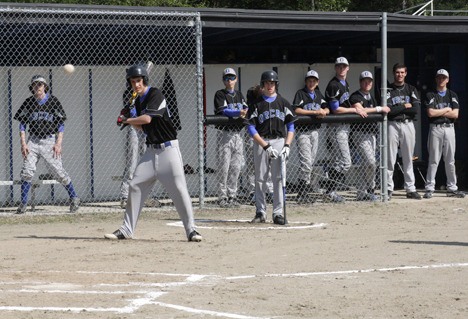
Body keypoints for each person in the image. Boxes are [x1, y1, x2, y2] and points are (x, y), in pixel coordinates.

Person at [104, 64, 202, 242]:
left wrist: (127, 119)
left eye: (139, 81)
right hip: (151, 152)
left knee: (180, 190)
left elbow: (148, 118)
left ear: (145, 81)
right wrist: (129, 119)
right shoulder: (139, 101)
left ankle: (191, 230)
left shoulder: (156, 94)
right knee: (135, 185)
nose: (136, 85)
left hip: (169, 151)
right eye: (133, 82)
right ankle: (126, 230)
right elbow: (142, 127)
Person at [13, 75, 80, 214]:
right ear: (32, 87)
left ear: (45, 87)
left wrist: (58, 144)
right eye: (35, 85)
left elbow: (60, 125)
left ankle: (74, 197)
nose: (37, 87)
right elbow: (22, 125)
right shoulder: (28, 102)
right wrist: (23, 143)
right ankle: (23, 203)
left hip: (49, 141)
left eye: (40, 84)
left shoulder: (53, 101)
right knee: (27, 170)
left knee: (58, 172)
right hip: (33, 140)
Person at [245, 70, 296, 225]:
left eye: (272, 83)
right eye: (267, 83)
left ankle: (278, 213)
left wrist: (287, 145)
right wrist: (265, 146)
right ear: (263, 85)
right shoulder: (256, 104)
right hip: (261, 142)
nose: (270, 86)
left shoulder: (283, 103)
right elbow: (251, 129)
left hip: (279, 141)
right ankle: (260, 212)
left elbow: (291, 126)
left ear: (276, 85)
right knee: (260, 179)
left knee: (279, 179)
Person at [325, 57, 365, 203]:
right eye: (339, 66)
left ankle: (330, 191)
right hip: (336, 127)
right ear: (335, 68)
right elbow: (335, 109)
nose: (342, 68)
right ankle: (329, 188)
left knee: (337, 162)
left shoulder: (345, 83)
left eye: (344, 66)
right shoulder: (334, 85)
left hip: (344, 127)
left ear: (348, 68)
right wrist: (354, 110)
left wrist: (356, 106)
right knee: (345, 162)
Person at [423, 69, 465, 199]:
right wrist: (447, 109)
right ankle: (429, 188)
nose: (441, 80)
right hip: (436, 128)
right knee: (433, 159)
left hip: (449, 128)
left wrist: (439, 111)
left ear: (447, 80)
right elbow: (430, 113)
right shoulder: (430, 94)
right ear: (436, 79)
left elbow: (455, 114)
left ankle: (452, 188)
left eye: (443, 78)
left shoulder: (452, 94)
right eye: (439, 77)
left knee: (450, 160)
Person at [349, 71, 390, 201]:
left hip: (372, 133)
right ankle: (371, 188)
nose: (367, 83)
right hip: (359, 133)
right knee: (371, 162)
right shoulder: (355, 96)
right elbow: (360, 110)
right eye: (364, 81)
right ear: (360, 82)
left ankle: (362, 193)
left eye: (369, 81)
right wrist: (379, 109)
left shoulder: (371, 97)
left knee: (365, 164)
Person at [292, 70, 329, 204]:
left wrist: (324, 111)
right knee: (306, 163)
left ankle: (304, 192)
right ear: (306, 82)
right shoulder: (300, 93)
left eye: (314, 80)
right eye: (309, 80)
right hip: (303, 132)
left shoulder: (318, 94)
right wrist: (314, 112)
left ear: (317, 82)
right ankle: (302, 193)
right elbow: (296, 110)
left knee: (310, 163)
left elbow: (326, 108)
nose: (311, 83)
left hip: (315, 132)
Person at [386, 63, 421, 200]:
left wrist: (398, 108)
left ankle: (410, 188)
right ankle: (388, 188)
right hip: (392, 125)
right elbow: (390, 112)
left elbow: (415, 109)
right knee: (390, 157)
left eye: (402, 72)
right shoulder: (388, 90)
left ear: (405, 73)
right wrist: (404, 106)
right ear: (393, 73)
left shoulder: (411, 89)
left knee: (408, 157)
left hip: (408, 124)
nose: (399, 75)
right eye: (397, 72)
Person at [214, 67, 248, 207]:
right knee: (224, 167)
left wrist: (244, 112)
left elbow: (246, 109)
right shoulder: (220, 94)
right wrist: (238, 113)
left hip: (238, 135)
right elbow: (224, 111)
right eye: (227, 78)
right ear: (223, 80)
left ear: (236, 79)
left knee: (236, 167)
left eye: (232, 77)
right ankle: (222, 197)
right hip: (225, 134)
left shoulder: (239, 95)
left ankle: (232, 196)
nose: (229, 80)